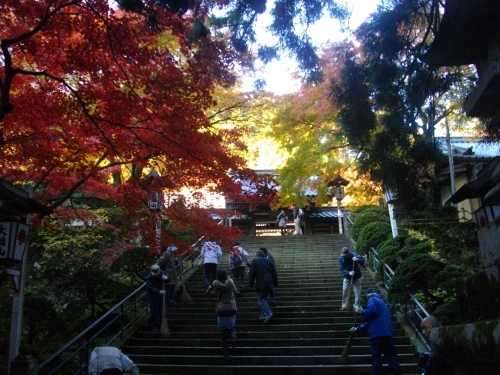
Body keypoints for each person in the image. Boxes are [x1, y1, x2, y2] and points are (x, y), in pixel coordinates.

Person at [350, 288, 403, 375]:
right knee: (391, 356)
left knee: (376, 357)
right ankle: (398, 372)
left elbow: (371, 312)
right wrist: (357, 328)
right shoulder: (383, 303)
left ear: (367, 295)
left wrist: (361, 310)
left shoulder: (372, 299)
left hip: (377, 334)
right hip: (387, 333)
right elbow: (371, 322)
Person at [212, 269, 239, 357]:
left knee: (224, 332)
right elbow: (235, 291)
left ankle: (226, 352)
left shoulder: (216, 284)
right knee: (231, 326)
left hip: (221, 309)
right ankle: (233, 338)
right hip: (231, 307)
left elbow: (215, 293)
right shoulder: (230, 282)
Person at [248, 249, 278, 323]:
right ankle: (263, 314)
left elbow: (252, 273)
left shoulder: (255, 261)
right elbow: (274, 272)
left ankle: (267, 313)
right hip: (269, 282)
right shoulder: (269, 261)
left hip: (261, 282)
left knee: (261, 299)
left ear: (257, 255)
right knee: (262, 298)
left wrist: (250, 284)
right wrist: (275, 283)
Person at [339, 246, 365, 311]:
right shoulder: (341, 258)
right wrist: (348, 273)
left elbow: (362, 260)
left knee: (357, 291)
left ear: (348, 253)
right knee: (345, 290)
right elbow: (342, 269)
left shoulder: (354, 255)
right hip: (347, 277)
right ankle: (344, 305)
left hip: (357, 276)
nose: (344, 256)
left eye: (345, 255)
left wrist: (357, 259)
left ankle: (356, 305)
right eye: (343, 255)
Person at [146, 264, 169, 331]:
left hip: (162, 295)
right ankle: (155, 325)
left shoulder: (162, 273)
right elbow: (150, 288)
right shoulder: (149, 277)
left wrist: (167, 278)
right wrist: (158, 291)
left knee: (163, 310)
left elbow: (168, 280)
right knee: (154, 311)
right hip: (153, 296)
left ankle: (162, 324)